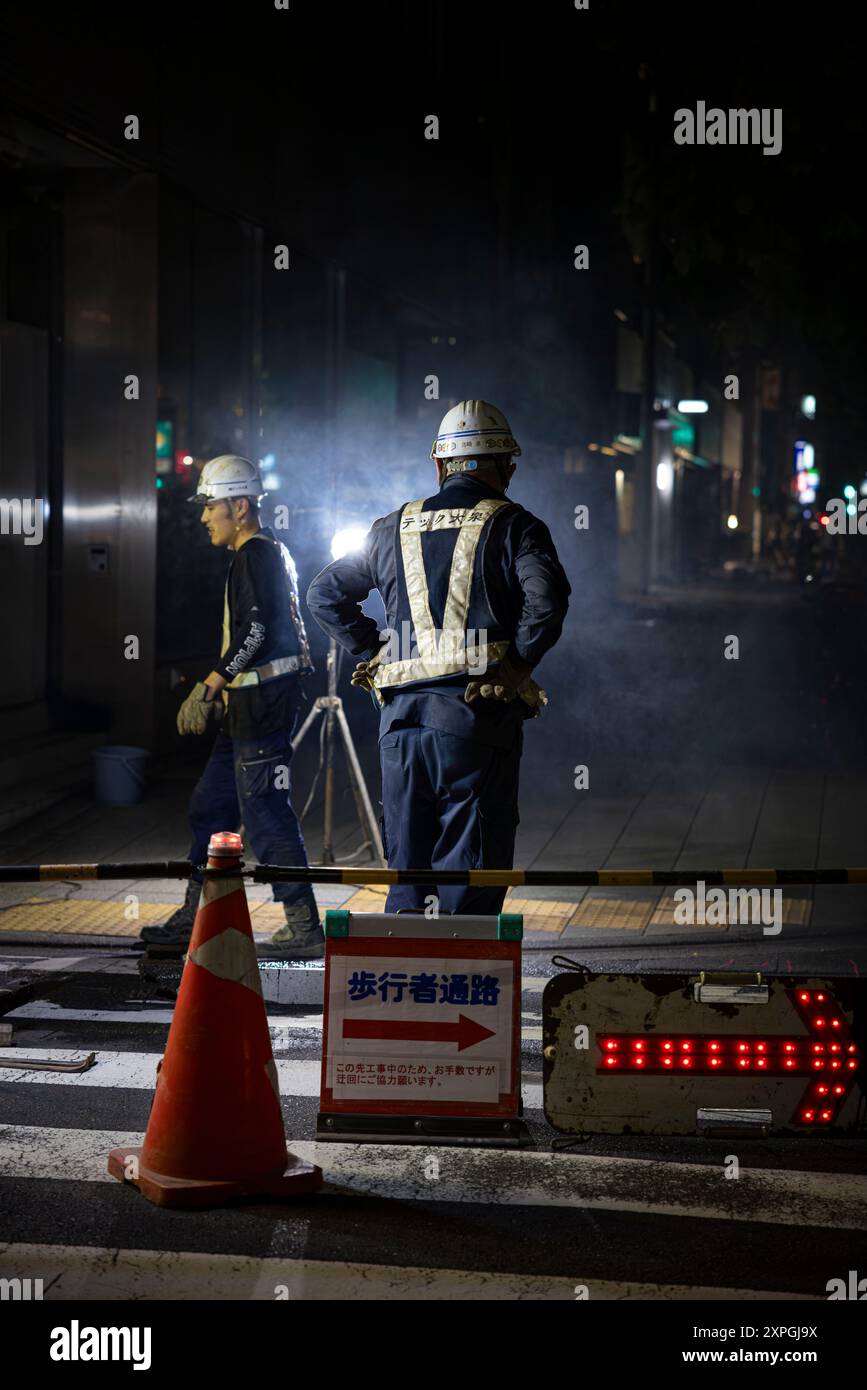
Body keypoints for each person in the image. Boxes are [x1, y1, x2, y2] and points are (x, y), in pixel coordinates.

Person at [306, 399, 571, 916]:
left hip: (400, 729)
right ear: (506, 468)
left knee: (408, 870)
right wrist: (516, 667)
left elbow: (324, 594)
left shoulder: (390, 527)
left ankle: (402, 983)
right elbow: (547, 600)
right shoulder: (517, 526)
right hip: (475, 723)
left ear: (439, 466)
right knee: (469, 875)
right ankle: (462, 987)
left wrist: (374, 650)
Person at [140, 454, 323, 955]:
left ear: (239, 506)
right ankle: (197, 918)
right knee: (211, 807)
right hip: (250, 706)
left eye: (211, 505)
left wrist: (210, 685)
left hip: (262, 705)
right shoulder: (267, 554)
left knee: (265, 813)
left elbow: (257, 632)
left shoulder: (255, 554)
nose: (203, 517)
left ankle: (303, 927)